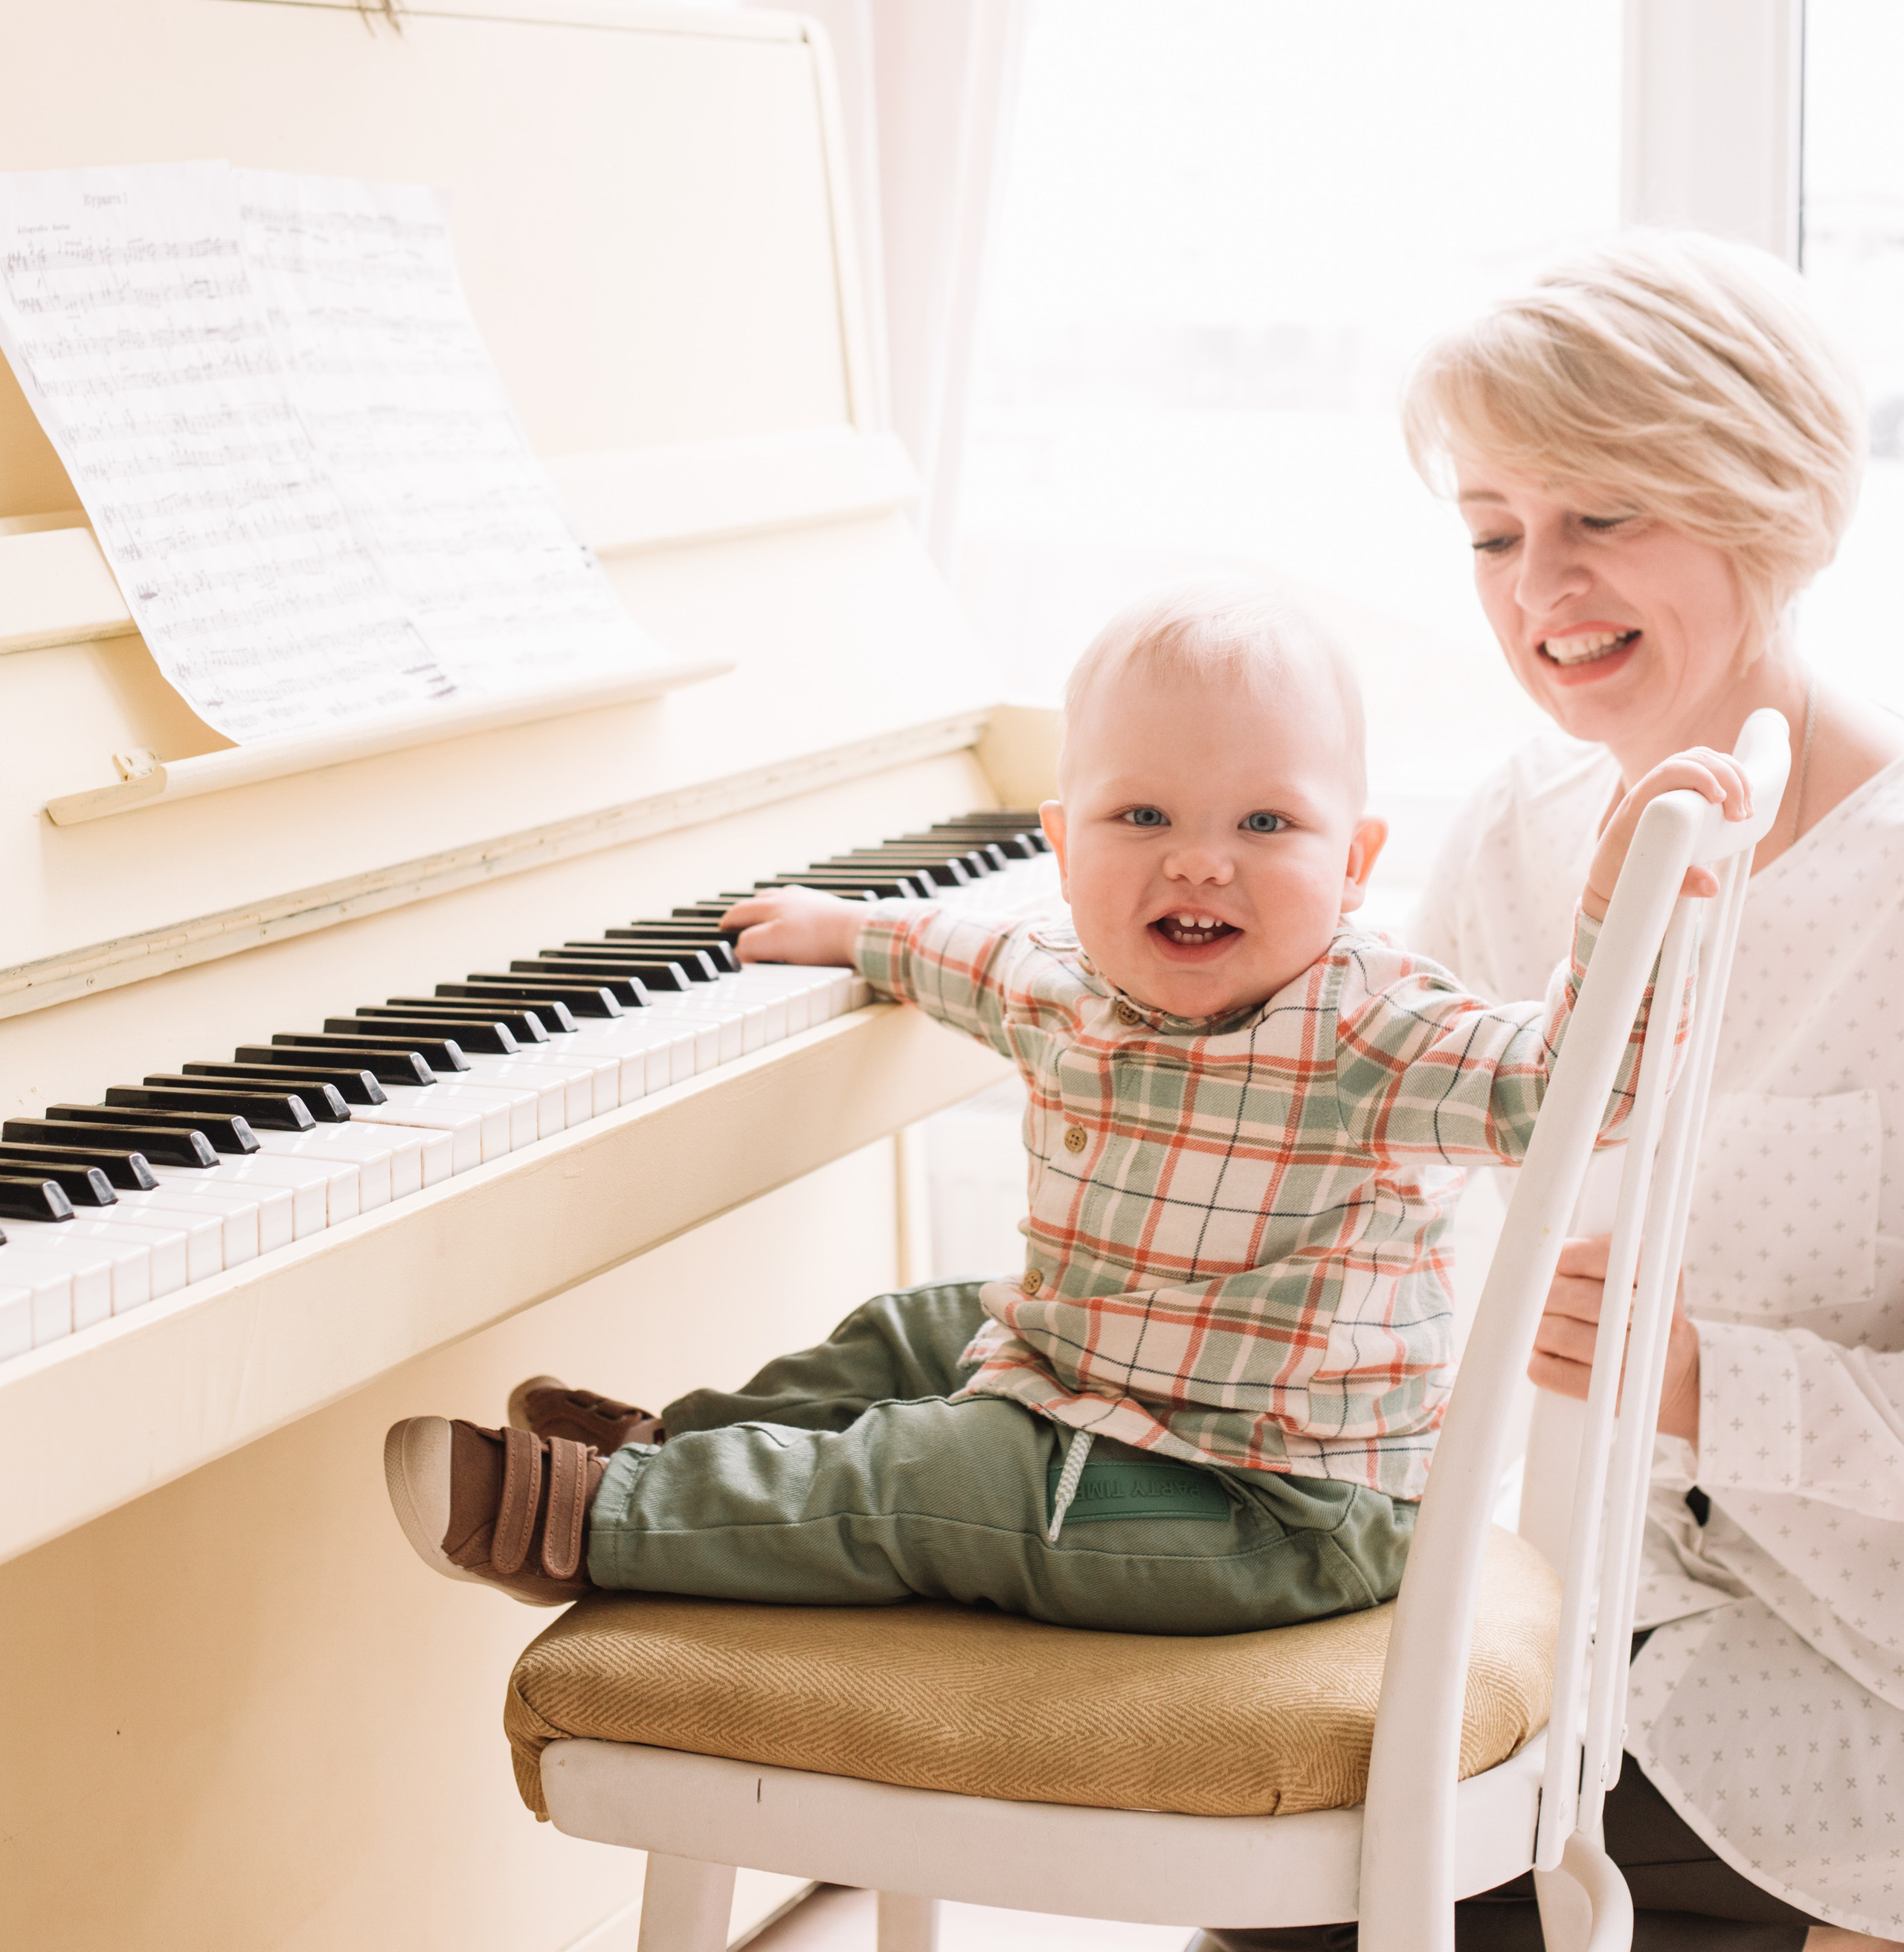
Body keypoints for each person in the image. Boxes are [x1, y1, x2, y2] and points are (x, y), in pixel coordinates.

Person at [383, 581, 1736, 1643]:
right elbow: (966, 958)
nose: (1199, 858)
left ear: (1358, 858)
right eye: (1142, 814)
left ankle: (598, 1519)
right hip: (1112, 1386)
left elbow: (1579, 1092)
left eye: (1268, 822)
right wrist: (853, 931)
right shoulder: (1071, 983)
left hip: (1278, 1506)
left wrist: (1624, 910)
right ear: (1065, 842)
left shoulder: (1376, 1026)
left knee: (945, 1469)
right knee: (909, 1328)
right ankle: (677, 1451)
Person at [1398, 231, 1903, 1952]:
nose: (1539, 586)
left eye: (1600, 516)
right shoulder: (1508, 832)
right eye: (1491, 534)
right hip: (1554, 1597)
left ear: (1762, 502)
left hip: (1833, 1657)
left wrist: (1703, 1383)